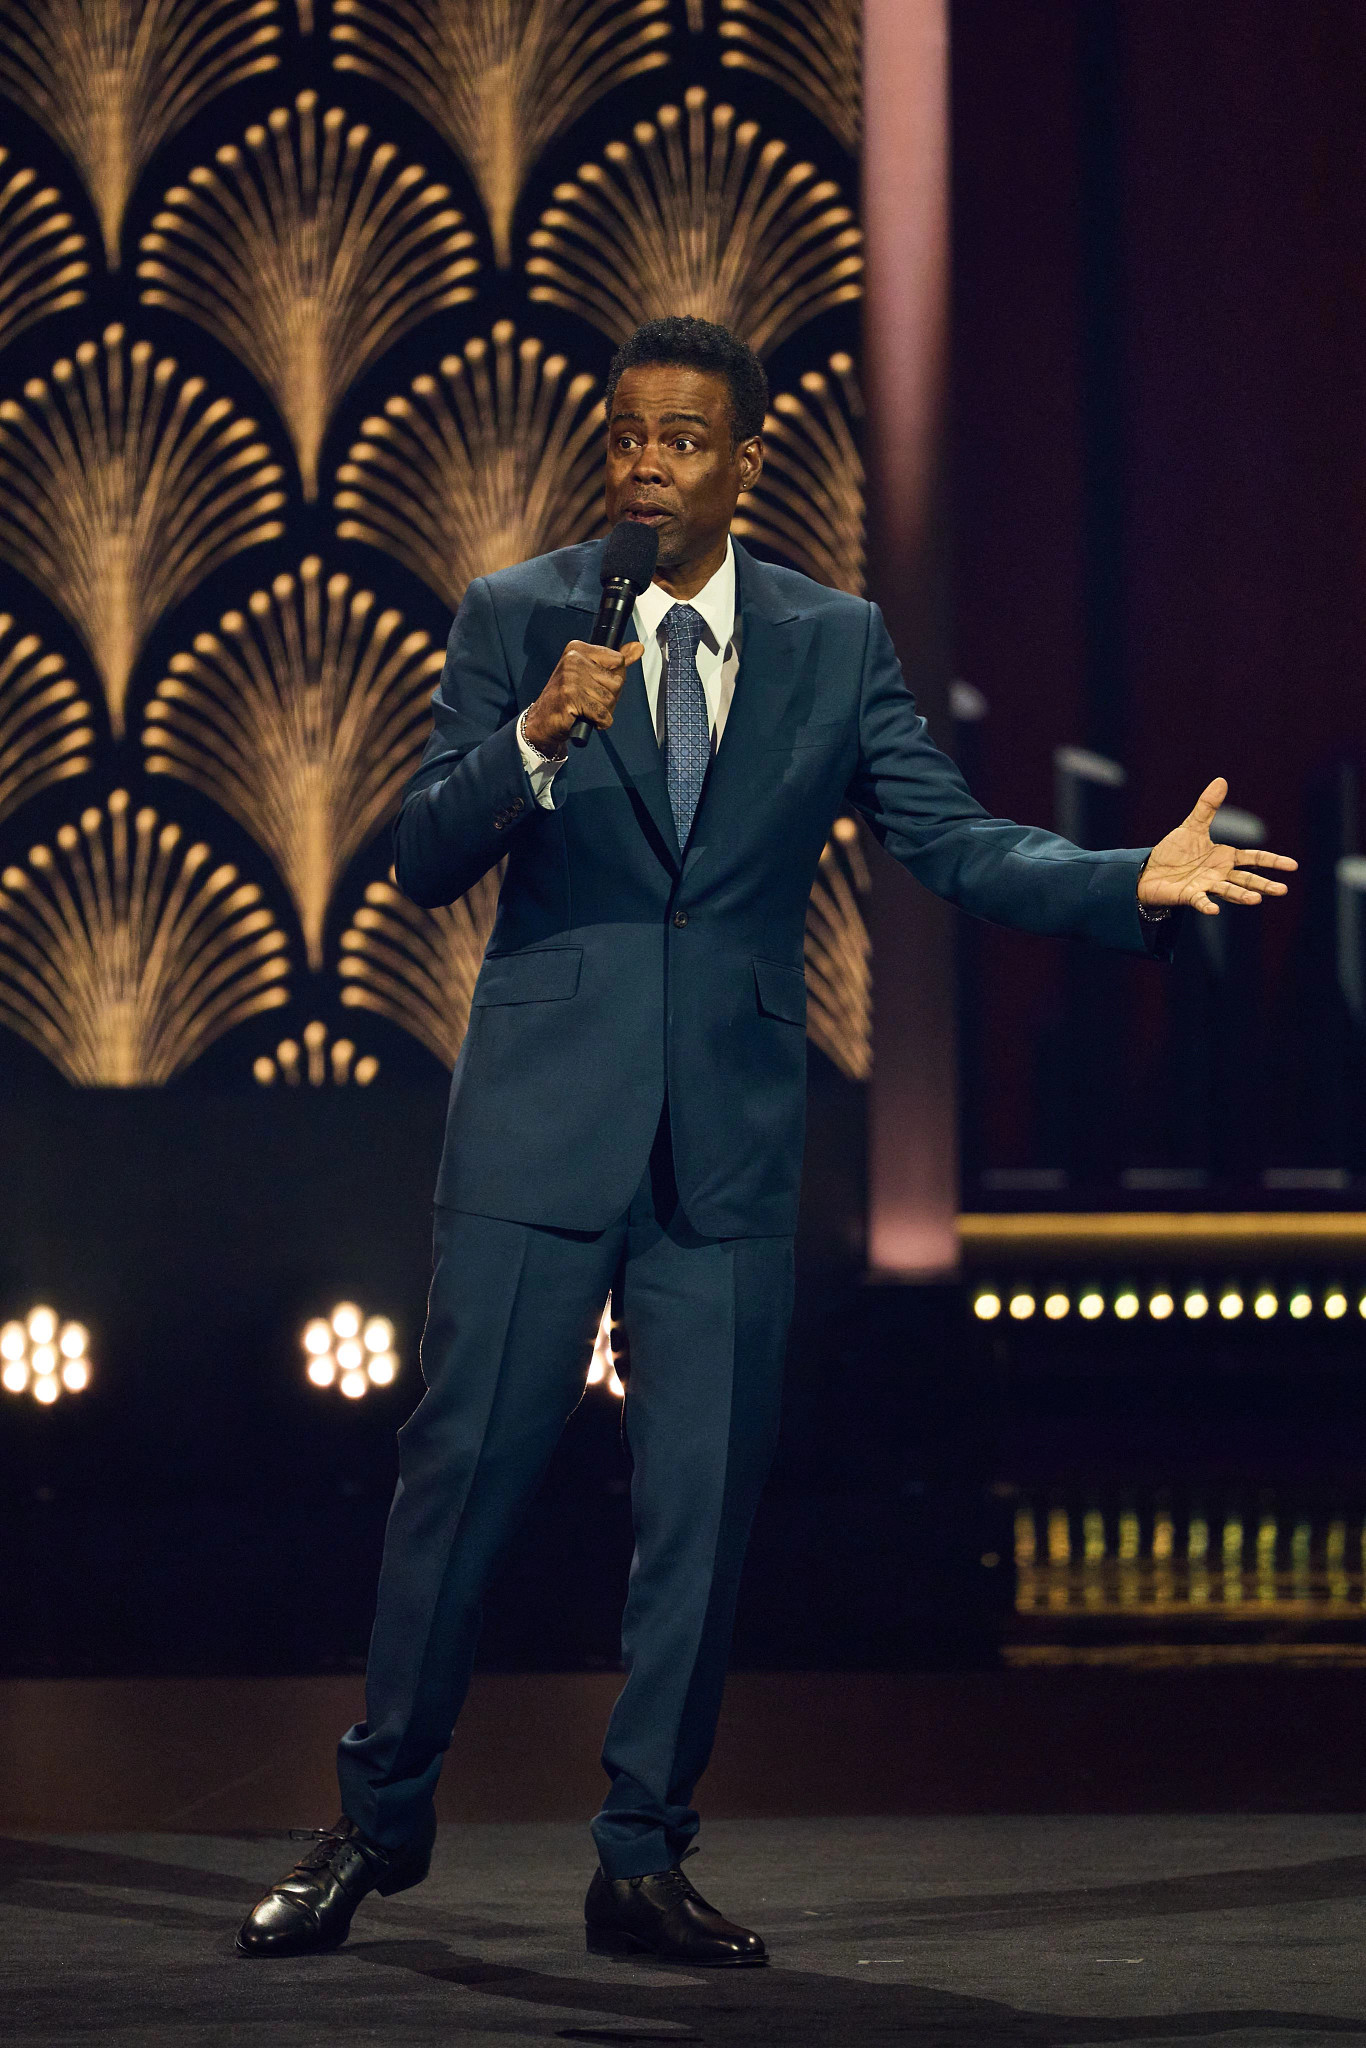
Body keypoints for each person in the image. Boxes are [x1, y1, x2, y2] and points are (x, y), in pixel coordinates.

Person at [235, 316, 1295, 1966]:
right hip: (536, 1133)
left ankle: (639, 1856)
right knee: (458, 1489)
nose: (644, 462)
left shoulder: (829, 638)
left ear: (743, 459)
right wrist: (531, 742)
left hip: (722, 1142)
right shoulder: (522, 617)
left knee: (702, 1507)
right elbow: (422, 857)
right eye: (624, 434)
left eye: (678, 438)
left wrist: (1120, 885)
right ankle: (375, 1826)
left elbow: (948, 842)